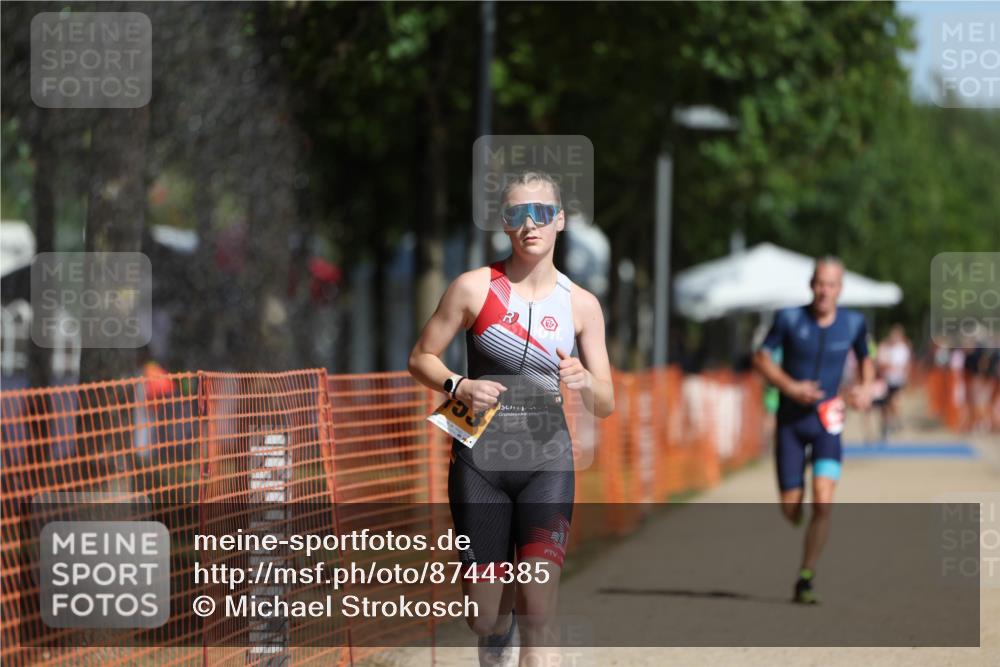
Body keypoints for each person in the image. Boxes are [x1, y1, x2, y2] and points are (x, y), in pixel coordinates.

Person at [408, 171, 614, 666]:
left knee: (539, 609)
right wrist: (459, 385)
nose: (531, 224)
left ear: (560, 220)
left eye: (542, 212)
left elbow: (606, 402)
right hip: (480, 462)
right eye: (519, 214)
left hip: (547, 460)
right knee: (485, 617)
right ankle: (502, 632)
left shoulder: (581, 305)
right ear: (505, 224)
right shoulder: (473, 289)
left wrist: (587, 382)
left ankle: (530, 624)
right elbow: (420, 358)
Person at [752, 256, 874, 604]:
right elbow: (761, 357)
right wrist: (790, 388)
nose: (825, 291)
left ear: (840, 288)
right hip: (791, 422)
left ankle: (806, 576)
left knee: (824, 501)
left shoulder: (853, 323)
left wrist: (865, 386)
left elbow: (866, 357)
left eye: (831, 284)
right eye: (820, 283)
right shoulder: (789, 318)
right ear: (811, 285)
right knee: (792, 509)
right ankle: (794, 509)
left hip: (827, 424)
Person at [875, 324, 911, 436]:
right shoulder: (886, 347)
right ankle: (887, 424)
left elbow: (906, 365)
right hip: (886, 380)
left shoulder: (903, 348)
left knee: (894, 402)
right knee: (885, 404)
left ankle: (895, 421)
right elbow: (880, 362)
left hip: (898, 380)